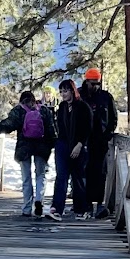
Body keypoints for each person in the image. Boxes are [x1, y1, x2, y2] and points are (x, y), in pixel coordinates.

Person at [0, 88, 55, 217]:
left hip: (24, 148)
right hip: (42, 147)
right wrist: (52, 145)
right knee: (40, 175)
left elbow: (7, 126)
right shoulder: (44, 110)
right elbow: (51, 130)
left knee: (26, 178)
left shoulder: (19, 110)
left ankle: (27, 208)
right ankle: (39, 200)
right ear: (34, 99)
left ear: (21, 100)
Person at [49, 76, 90, 220]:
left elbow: (87, 127)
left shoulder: (83, 107)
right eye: (61, 91)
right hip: (63, 144)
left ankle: (81, 209)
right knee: (61, 176)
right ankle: (57, 209)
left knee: (77, 177)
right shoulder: (62, 108)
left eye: (65, 91)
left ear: (72, 91)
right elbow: (59, 127)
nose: (63, 94)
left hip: (78, 145)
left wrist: (80, 144)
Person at [80, 66, 119, 217]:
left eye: (97, 83)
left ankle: (100, 204)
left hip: (100, 142)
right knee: (83, 171)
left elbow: (113, 118)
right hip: (82, 141)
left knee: (100, 172)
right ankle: (85, 204)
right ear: (86, 81)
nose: (95, 86)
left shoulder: (106, 97)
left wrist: (108, 134)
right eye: (92, 83)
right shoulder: (79, 96)